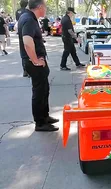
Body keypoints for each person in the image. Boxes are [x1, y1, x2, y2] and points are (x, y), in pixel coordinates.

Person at [18, 0, 59, 132]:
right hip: (34, 64)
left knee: (44, 90)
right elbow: (27, 42)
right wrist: (35, 60)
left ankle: (45, 116)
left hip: (37, 61)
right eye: (45, 7)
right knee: (39, 92)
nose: (46, 9)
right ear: (40, 7)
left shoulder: (28, 17)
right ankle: (40, 123)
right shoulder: (29, 19)